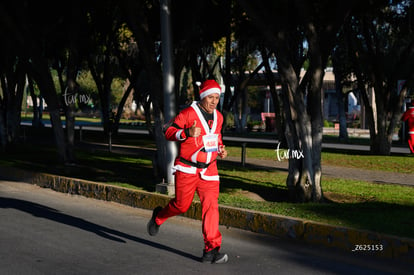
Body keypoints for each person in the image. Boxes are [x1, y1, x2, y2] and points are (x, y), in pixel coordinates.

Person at [147, 79, 229, 264]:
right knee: (182, 205)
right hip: (187, 169)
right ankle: (158, 217)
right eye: (211, 97)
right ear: (202, 97)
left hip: (209, 170)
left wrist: (221, 148)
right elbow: (167, 131)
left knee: (211, 207)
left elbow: (216, 138)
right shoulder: (188, 113)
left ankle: (211, 249)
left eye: (217, 97)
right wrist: (186, 133)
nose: (214, 101)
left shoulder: (219, 117)